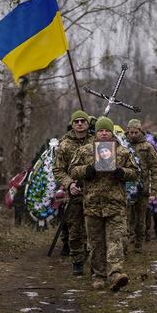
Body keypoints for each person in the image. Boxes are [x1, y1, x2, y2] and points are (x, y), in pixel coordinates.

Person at [70, 116, 138, 291]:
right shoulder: (85, 151)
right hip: (92, 205)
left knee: (116, 240)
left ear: (111, 132)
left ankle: (115, 274)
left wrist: (121, 172)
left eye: (107, 130)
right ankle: (98, 276)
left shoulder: (122, 152)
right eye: (101, 130)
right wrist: (87, 170)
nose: (104, 133)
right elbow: (72, 171)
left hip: (115, 205)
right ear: (96, 132)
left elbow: (135, 173)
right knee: (96, 243)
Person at [52, 110, 92, 276]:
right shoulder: (64, 144)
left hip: (94, 193)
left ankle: (94, 260)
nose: (80, 124)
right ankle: (77, 261)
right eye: (77, 121)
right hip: (74, 193)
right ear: (72, 124)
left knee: (92, 229)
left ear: (88, 124)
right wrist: (69, 184)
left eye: (83, 121)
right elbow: (58, 169)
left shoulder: (97, 141)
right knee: (75, 229)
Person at [125, 119, 157, 254]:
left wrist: (155, 189)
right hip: (126, 189)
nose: (133, 134)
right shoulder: (123, 145)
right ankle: (125, 243)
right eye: (131, 132)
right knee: (126, 218)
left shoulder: (147, 146)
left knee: (141, 219)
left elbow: (155, 168)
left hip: (143, 189)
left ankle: (139, 244)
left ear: (140, 131)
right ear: (127, 131)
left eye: (136, 132)